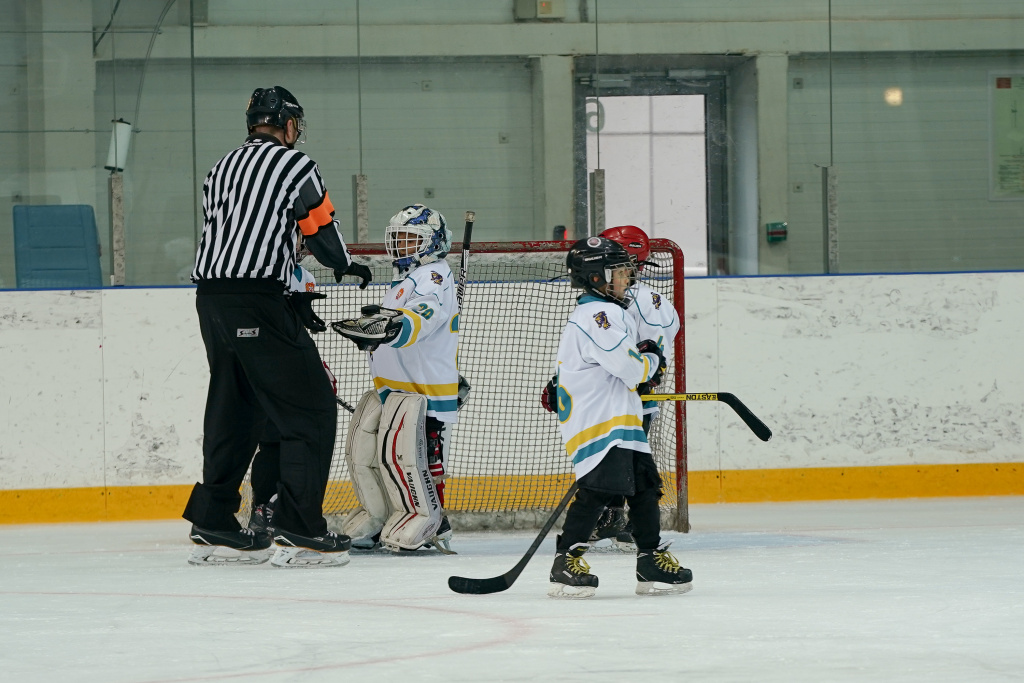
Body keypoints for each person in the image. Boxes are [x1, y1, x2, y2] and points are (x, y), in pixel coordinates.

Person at [184, 85, 373, 568]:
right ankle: (300, 526)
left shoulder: (219, 167)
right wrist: (346, 265)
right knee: (310, 409)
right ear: (288, 124)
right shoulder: (295, 165)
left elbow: (230, 232)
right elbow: (320, 230)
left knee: (234, 408)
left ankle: (214, 520)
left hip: (211, 301)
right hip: (257, 300)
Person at [544, 236, 692, 598]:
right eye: (620, 272)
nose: (627, 278)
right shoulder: (600, 314)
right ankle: (566, 561)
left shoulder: (607, 311)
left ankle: (650, 559)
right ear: (597, 277)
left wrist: (644, 360)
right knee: (599, 490)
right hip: (600, 420)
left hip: (620, 417)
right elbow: (631, 369)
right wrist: (652, 360)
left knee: (644, 487)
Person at [333, 204, 460, 553]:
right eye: (398, 238)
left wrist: (392, 327)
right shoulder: (408, 277)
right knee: (375, 456)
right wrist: (376, 328)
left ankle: (433, 520)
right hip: (398, 388)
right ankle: (383, 517)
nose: (400, 245)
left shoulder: (433, 275)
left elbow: (423, 314)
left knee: (418, 460)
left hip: (425, 389)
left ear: (432, 242)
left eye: (410, 239)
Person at [588, 225, 680, 551]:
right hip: (638, 393)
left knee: (623, 462)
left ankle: (625, 523)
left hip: (625, 393)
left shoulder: (624, 300)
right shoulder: (655, 299)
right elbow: (669, 333)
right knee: (623, 459)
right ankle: (616, 519)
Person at [248, 253, 337, 535]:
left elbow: (297, 329)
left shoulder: (304, 277)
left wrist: (314, 368)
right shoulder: (260, 269)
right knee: (271, 440)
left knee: (292, 440)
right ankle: (264, 508)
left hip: (291, 363)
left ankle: (279, 508)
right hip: (264, 362)